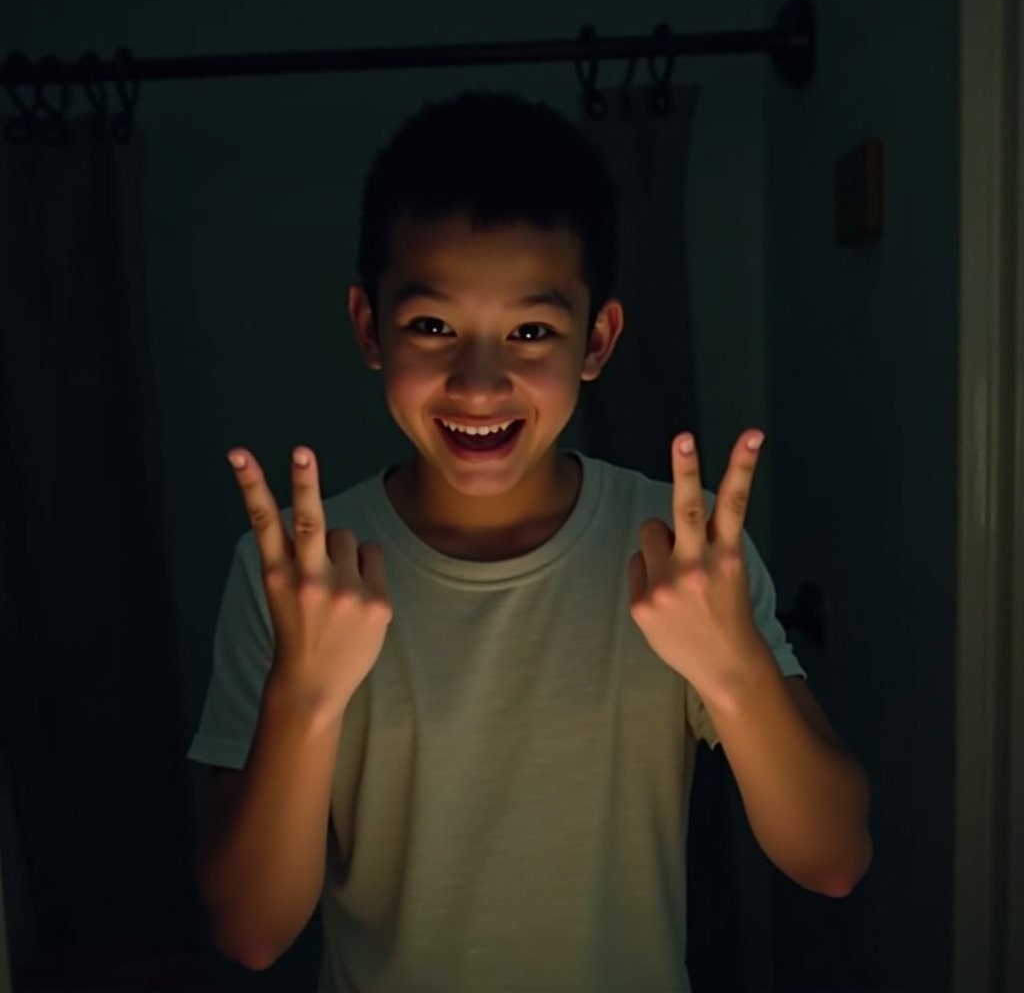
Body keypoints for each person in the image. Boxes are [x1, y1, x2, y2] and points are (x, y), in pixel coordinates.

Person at [188, 90, 872, 992]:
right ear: (369, 327)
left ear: (598, 340)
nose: (480, 381)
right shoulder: (294, 577)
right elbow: (251, 933)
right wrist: (306, 697)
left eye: (532, 331)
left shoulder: (682, 552)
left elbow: (834, 859)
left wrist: (732, 665)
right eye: (433, 326)